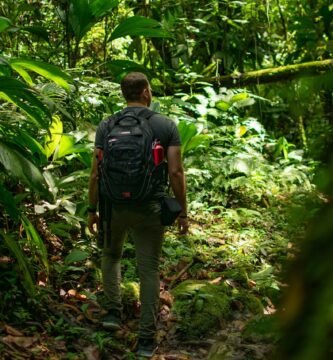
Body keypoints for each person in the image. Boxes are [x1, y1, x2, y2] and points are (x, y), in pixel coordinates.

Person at [87, 72, 189, 357]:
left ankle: (111, 314)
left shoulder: (106, 125)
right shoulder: (165, 125)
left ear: (124, 94)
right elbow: (175, 172)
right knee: (149, 270)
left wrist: (91, 209)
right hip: (150, 209)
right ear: (145, 92)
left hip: (112, 207)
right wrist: (183, 212)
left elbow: (95, 173)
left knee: (111, 256)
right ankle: (145, 339)